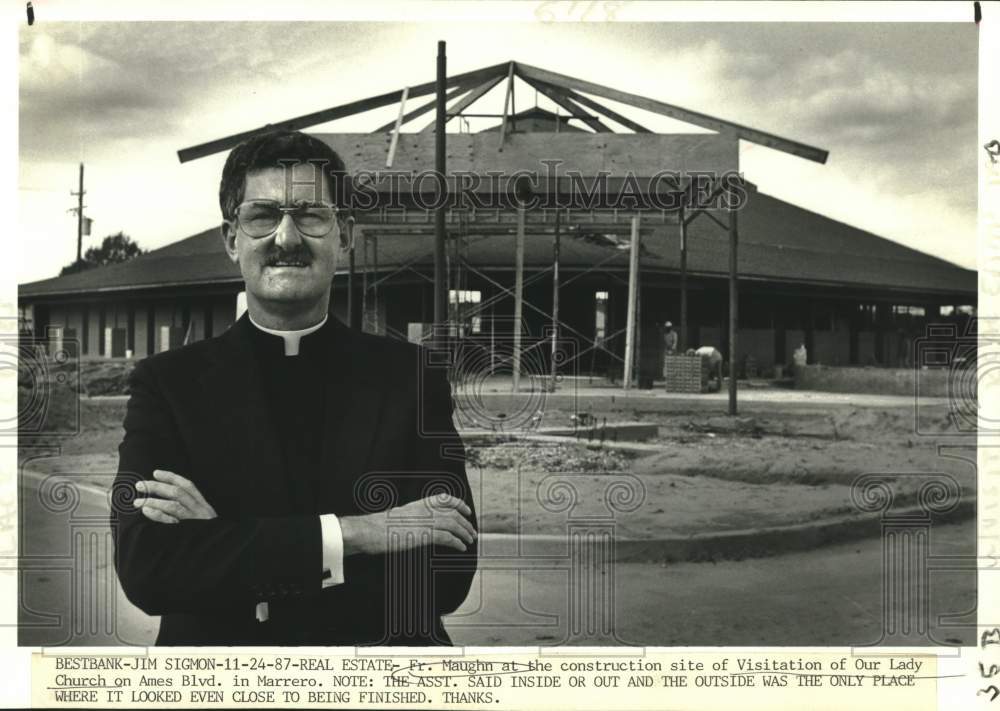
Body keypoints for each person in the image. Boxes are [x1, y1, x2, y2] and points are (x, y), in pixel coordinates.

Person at [111, 130, 478, 646]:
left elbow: (445, 576)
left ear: (344, 236)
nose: (286, 238)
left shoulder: (411, 378)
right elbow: (147, 568)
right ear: (231, 238)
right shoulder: (167, 385)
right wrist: (359, 535)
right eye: (262, 216)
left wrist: (228, 541)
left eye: (310, 214)